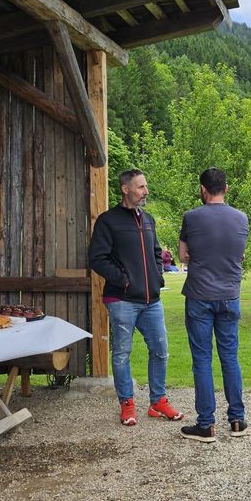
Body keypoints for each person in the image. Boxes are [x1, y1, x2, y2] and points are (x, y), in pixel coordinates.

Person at [89, 168, 184, 427]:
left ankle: (158, 402)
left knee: (160, 350)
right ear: (125, 189)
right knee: (122, 352)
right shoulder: (108, 221)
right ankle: (127, 404)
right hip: (122, 300)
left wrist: (157, 278)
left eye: (145, 186)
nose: (146, 191)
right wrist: (125, 280)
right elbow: (97, 258)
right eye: (141, 187)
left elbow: (156, 253)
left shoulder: (148, 220)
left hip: (152, 301)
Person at [178, 168, 250, 442]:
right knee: (230, 357)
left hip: (199, 295)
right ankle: (237, 419)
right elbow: (239, 254)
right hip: (230, 296)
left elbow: (183, 256)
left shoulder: (191, 217)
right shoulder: (241, 218)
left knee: (202, 359)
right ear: (226, 189)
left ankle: (206, 424)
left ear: (202, 189)